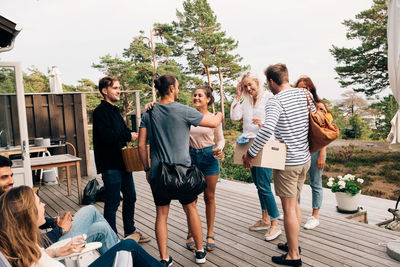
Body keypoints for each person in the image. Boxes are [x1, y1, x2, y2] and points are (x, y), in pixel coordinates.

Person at [138, 74, 223, 266]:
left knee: (161, 214)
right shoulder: (184, 111)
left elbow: (141, 146)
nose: (178, 90)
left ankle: (164, 258)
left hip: (158, 173)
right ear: (170, 89)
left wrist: (146, 169)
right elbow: (214, 123)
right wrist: (218, 115)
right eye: (177, 87)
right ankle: (200, 253)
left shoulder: (148, 113)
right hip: (183, 172)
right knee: (191, 208)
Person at [243, 64, 315, 267]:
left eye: (268, 82)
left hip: (288, 162)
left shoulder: (276, 100)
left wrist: (250, 154)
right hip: (304, 159)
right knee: (295, 205)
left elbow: (266, 131)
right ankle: (294, 244)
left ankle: (294, 255)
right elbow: (313, 118)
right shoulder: (304, 94)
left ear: (272, 82)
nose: (269, 86)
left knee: (289, 209)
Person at [0, 186, 163, 267]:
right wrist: (60, 230)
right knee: (128, 246)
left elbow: (34, 257)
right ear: (28, 214)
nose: (44, 205)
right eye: (39, 203)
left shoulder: (19, 245)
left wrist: (57, 251)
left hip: (56, 251)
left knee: (102, 227)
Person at [0, 155, 119, 255]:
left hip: (43, 244)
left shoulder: (4, 200)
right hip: (48, 250)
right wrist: (60, 229)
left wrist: (53, 222)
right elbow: (29, 248)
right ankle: (122, 249)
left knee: (101, 227)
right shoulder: (4, 206)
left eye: (11, 175)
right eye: (4, 177)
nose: (11, 181)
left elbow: (26, 220)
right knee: (91, 211)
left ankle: (121, 249)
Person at [93, 76, 149, 243]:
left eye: (119, 88)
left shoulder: (115, 110)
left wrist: (133, 134)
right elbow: (106, 136)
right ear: (105, 91)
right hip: (110, 164)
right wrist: (128, 135)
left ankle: (130, 232)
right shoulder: (99, 112)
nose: (118, 91)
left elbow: (122, 131)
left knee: (130, 196)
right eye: (115, 88)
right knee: (113, 202)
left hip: (123, 162)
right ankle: (112, 239)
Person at [230, 71, 282, 241]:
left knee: (264, 185)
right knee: (259, 185)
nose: (248, 88)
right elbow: (234, 116)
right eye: (245, 86)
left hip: (265, 143)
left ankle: (275, 224)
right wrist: (237, 96)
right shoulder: (245, 100)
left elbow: (277, 122)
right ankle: (265, 219)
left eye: (250, 84)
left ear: (258, 83)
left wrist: (264, 124)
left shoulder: (268, 97)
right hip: (248, 144)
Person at [186, 85, 225, 251]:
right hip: (190, 157)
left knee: (209, 196)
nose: (196, 98)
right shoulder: (187, 116)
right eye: (195, 95)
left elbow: (220, 139)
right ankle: (191, 232)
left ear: (208, 99)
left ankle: (210, 233)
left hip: (209, 156)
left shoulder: (214, 118)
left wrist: (219, 148)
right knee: (190, 198)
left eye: (200, 95)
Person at [294, 76, 332, 230]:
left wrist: (322, 154)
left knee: (316, 183)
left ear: (310, 89)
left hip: (316, 151)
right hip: (301, 149)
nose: (302, 91)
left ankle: (315, 216)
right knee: (297, 184)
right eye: (298, 88)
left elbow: (324, 133)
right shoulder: (296, 106)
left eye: (304, 88)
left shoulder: (319, 106)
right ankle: (294, 211)